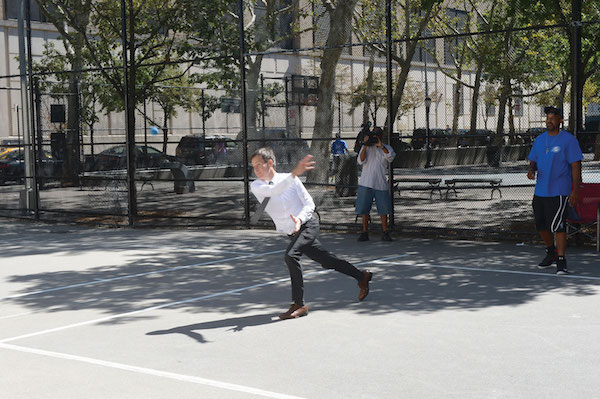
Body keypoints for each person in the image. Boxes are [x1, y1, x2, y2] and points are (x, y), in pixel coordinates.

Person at [250, 147, 373, 319]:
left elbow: (309, 204)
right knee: (327, 260)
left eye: (258, 165)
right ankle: (362, 276)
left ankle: (299, 305)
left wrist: (300, 219)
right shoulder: (257, 186)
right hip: (293, 233)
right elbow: (273, 191)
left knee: (291, 256)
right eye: (253, 166)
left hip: (308, 225)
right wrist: (294, 174)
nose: (255, 169)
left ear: (270, 163)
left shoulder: (291, 179)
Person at [527, 106, 583, 275]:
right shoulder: (539, 139)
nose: (549, 121)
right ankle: (551, 252)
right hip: (540, 191)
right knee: (541, 225)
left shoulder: (569, 140)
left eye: (553, 118)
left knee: (559, 226)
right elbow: (533, 159)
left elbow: (575, 165)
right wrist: (531, 169)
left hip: (559, 191)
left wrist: (575, 190)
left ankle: (561, 260)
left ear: (560, 121)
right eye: (547, 118)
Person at [355, 126, 396, 242]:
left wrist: (381, 146)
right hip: (366, 183)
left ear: (380, 137)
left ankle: (385, 232)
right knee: (364, 209)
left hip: (380, 184)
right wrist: (364, 144)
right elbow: (360, 161)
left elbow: (391, 157)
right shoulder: (366, 148)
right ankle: (364, 232)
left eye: (376, 136)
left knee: (383, 210)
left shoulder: (386, 148)